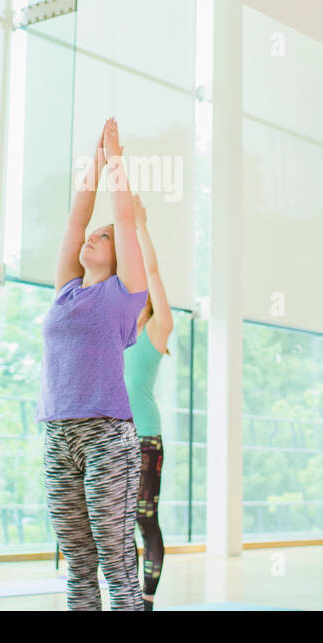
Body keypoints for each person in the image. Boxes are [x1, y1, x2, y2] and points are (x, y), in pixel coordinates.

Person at [40, 117, 148, 611]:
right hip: (57, 436)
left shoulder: (123, 294)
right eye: (93, 236)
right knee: (78, 560)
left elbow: (122, 220)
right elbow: (75, 219)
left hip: (107, 436)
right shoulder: (66, 288)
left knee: (115, 555)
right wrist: (94, 162)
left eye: (102, 238)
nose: (92, 239)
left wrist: (117, 161)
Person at [123, 194, 174, 611]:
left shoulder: (157, 331)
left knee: (144, 520)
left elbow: (152, 270)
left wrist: (139, 226)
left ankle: (146, 600)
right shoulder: (116, 335)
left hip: (145, 440)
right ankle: (122, 597)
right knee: (115, 524)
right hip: (114, 440)